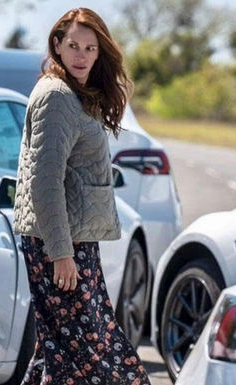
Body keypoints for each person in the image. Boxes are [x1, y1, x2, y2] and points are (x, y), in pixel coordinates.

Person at [13, 8, 151, 385]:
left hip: (72, 240)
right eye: (73, 46)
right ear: (57, 45)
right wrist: (61, 254)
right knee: (93, 354)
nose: (81, 56)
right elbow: (45, 181)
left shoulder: (73, 95)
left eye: (90, 49)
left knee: (62, 351)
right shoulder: (57, 96)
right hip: (58, 243)